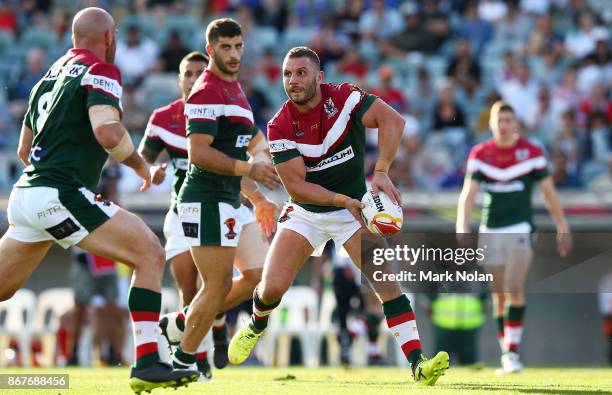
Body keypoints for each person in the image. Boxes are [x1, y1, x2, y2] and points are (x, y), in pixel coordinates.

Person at [0, 7, 198, 393]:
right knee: (150, 253)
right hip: (60, 192)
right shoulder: (101, 70)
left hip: (28, 193)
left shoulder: (49, 76)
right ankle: (148, 362)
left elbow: (25, 149)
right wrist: (141, 168)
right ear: (109, 37)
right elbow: (108, 132)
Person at [228, 46, 450, 386]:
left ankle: (418, 364)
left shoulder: (345, 97)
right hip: (308, 212)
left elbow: (394, 120)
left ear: (319, 77)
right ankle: (257, 324)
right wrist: (340, 199)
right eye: (287, 74)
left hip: (354, 210)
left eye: (301, 73)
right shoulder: (279, 124)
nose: (293, 80)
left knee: (387, 285)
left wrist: (382, 170)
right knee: (271, 288)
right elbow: (297, 187)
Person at [138, 50, 277, 376]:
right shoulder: (162, 117)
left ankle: (188, 334)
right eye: (188, 73)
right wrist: (150, 171)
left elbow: (237, 164)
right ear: (179, 78)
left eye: (200, 72)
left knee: (250, 280)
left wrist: (256, 198)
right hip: (185, 208)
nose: (194, 78)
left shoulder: (223, 108)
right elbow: (141, 158)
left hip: (229, 201)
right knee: (196, 288)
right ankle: (199, 356)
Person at [456, 100, 572, 374]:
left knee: (513, 287)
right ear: (492, 124)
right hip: (490, 230)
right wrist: (462, 225)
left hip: (520, 228)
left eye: (509, 120)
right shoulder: (481, 153)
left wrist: (562, 226)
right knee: (499, 296)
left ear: (516, 124)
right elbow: (468, 194)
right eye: (500, 121)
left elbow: (548, 192)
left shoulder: (531, 152)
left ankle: (512, 353)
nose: (504, 125)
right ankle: (507, 353)